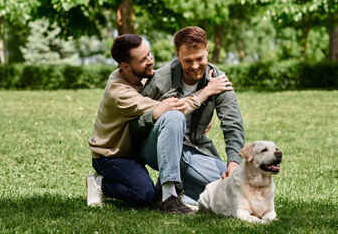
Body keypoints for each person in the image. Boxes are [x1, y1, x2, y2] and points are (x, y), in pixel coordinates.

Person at [86, 34, 233, 214]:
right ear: (125, 66)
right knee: (144, 195)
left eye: (149, 54)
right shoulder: (120, 93)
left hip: (134, 151)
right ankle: (99, 182)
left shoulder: (140, 76)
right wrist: (206, 92)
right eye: (143, 60)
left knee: (222, 182)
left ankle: (174, 191)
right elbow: (173, 109)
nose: (150, 61)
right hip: (112, 156)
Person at [131, 26, 246, 211]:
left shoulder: (219, 81)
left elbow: (233, 127)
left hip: (192, 150)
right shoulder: (160, 80)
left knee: (235, 188)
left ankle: (177, 188)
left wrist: (233, 165)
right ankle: (169, 196)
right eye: (188, 60)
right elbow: (134, 125)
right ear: (177, 54)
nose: (194, 66)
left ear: (207, 50)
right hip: (155, 148)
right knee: (174, 115)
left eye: (200, 58)